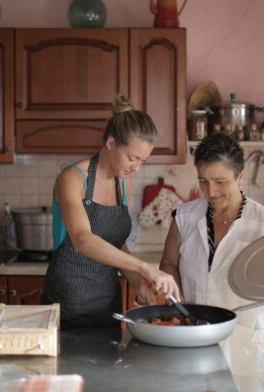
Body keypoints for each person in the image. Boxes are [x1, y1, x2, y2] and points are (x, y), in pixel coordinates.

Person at [159, 133, 264, 392]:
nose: (211, 192)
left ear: (240, 177)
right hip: (193, 337)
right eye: (203, 181)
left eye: (220, 181)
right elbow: (169, 265)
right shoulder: (183, 217)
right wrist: (176, 300)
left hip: (245, 341)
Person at [41, 95, 181, 328]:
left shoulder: (122, 183)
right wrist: (146, 268)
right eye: (132, 158)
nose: (136, 168)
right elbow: (83, 239)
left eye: (143, 161)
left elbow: (117, 243)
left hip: (108, 307)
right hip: (67, 305)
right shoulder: (73, 178)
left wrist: (139, 283)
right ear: (111, 143)